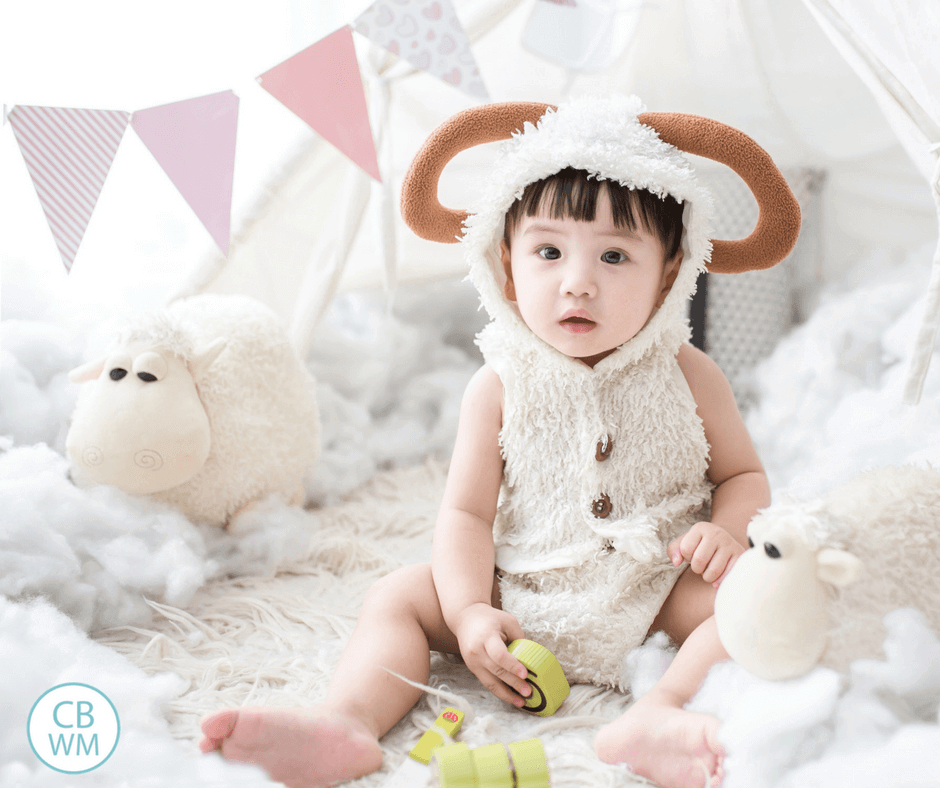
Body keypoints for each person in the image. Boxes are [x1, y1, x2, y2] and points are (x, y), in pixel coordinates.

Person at [198, 95, 800, 788]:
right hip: (521, 597)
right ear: (506, 265)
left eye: (614, 255)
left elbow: (744, 476)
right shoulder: (498, 385)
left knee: (756, 597)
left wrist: (726, 532)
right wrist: (469, 611)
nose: (578, 282)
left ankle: (656, 712)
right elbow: (466, 515)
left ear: (669, 272)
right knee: (399, 596)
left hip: (654, 591)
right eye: (548, 251)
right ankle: (346, 721)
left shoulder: (691, 375)